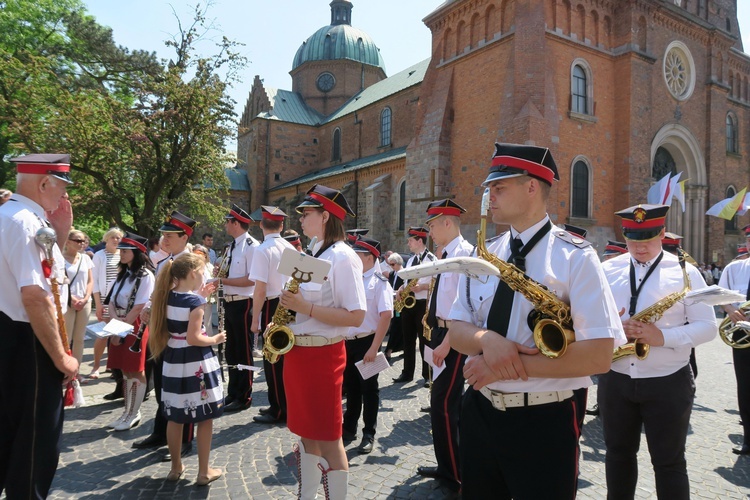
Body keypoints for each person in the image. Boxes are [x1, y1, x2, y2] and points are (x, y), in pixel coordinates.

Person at [448, 143, 624, 498]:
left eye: (499, 188)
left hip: (545, 420)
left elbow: (599, 356)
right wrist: (486, 340)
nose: (489, 196)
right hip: (480, 411)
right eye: (489, 188)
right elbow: (455, 330)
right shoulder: (484, 253)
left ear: (532, 187)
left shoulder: (576, 257)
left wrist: (501, 367)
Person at [599, 204, 716, 499]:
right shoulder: (607, 269)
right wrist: (612, 326)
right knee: (617, 456)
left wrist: (660, 336)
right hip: (616, 379)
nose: (640, 247)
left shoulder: (686, 273)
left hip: (668, 382)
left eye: (648, 239)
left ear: (663, 233)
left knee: (669, 463)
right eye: (633, 239)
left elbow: (708, 327)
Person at [280, 184, 366, 499]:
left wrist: (306, 307)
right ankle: (308, 495)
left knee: (330, 438)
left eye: (307, 213)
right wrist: (290, 307)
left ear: (326, 216)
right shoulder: (315, 252)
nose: (300, 218)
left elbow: (356, 316)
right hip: (300, 353)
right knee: (306, 433)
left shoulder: (343, 257)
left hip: (323, 356)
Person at [0, 153, 77, 498]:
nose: (64, 197)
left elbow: (46, 279)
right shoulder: (26, 223)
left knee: (7, 438)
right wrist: (62, 359)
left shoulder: (9, 216)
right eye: (61, 187)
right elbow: (36, 297)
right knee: (35, 444)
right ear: (44, 182)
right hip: (27, 344)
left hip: (9, 337)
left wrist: (59, 234)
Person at [149, 253, 225, 485]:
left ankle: (175, 467)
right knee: (205, 417)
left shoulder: (168, 296)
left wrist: (200, 297)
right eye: (202, 272)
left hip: (174, 359)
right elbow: (194, 338)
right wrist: (216, 339)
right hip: (195, 361)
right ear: (193, 274)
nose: (205, 275)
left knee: (176, 416)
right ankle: (204, 472)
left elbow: (183, 313)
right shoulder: (195, 303)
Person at [133, 211, 200, 461]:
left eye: (170, 235)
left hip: (182, 335)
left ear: (184, 236)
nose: (164, 239)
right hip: (163, 332)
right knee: (163, 386)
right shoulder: (165, 262)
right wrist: (150, 309)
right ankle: (161, 432)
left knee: (183, 389)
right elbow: (159, 294)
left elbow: (198, 299)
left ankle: (184, 439)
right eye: (163, 234)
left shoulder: (194, 264)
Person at [417, 199, 473, 492]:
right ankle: (446, 464)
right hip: (440, 333)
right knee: (440, 404)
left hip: (454, 337)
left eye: (433, 225)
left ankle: (456, 473)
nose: (431, 232)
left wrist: (448, 344)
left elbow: (464, 305)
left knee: (445, 404)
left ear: (448, 222)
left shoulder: (462, 255)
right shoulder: (447, 253)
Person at [343, 236, 393, 454]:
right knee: (351, 389)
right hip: (348, 342)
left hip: (367, 342)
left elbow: (386, 316)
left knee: (369, 390)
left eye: (357, 254)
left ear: (369, 257)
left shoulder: (379, 282)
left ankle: (368, 434)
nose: (353, 257)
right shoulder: (351, 279)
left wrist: (375, 348)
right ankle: (349, 428)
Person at [104, 232, 155, 431]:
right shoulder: (122, 274)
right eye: (121, 251)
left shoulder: (145, 276)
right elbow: (113, 301)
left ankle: (133, 412)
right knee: (124, 369)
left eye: (125, 251)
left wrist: (121, 329)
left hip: (135, 327)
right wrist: (115, 323)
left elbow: (139, 306)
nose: (121, 254)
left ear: (137, 253)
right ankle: (127, 411)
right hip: (120, 324)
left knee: (135, 368)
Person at [250, 206, 296, 424]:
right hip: (290, 302)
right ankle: (281, 404)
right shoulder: (290, 247)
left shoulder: (262, 250)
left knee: (272, 360)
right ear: (282, 225)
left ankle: (279, 409)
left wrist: (254, 318)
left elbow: (260, 289)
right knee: (285, 359)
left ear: (261, 224)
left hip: (272, 304)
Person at [219, 204, 259, 413]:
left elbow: (251, 280)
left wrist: (223, 280)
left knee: (244, 352)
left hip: (244, 303)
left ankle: (245, 394)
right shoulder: (232, 245)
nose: (226, 224)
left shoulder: (251, 245)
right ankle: (234, 391)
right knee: (232, 351)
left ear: (236, 223)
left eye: (228, 221)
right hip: (230, 302)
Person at [719, 223, 750, 455]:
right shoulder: (735, 268)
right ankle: (748, 438)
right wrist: (730, 310)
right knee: (746, 385)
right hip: (742, 331)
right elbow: (721, 296)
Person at [393, 226, 435, 384]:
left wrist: (423, 287)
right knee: (408, 340)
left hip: (422, 304)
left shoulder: (431, 260)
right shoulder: (410, 260)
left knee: (425, 341)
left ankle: (427, 374)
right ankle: (407, 373)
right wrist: (401, 289)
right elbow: (405, 279)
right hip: (408, 303)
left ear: (419, 241)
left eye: (410, 240)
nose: (408, 243)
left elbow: (437, 282)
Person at [91, 227, 124, 382]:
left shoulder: (123, 255)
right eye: (113, 237)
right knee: (103, 334)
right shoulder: (99, 255)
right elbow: (94, 281)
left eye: (118, 238)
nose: (116, 240)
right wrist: (98, 304)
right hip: (104, 299)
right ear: (107, 239)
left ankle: (113, 366)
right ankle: (96, 366)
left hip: (119, 301)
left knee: (116, 334)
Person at [62, 229, 94, 368]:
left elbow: (90, 280)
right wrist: (72, 298)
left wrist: (86, 298)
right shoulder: (59, 258)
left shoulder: (85, 258)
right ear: (68, 242)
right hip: (67, 302)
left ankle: (77, 370)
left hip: (84, 302)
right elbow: (57, 282)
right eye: (78, 240)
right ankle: (65, 369)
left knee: (80, 339)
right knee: (66, 338)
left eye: (83, 240)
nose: (82, 243)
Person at [383, 252, 404, 361]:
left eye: (393, 264)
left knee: (397, 327)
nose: (391, 267)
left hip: (402, 305)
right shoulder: (392, 274)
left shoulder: (405, 273)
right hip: (393, 303)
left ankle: (389, 351)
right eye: (390, 264)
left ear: (398, 263)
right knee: (396, 327)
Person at [192, 244, 215, 332]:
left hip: (206, 300)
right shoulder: (191, 267)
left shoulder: (209, 266)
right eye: (196, 253)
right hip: (194, 299)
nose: (198, 256)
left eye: (201, 253)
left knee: (206, 325)